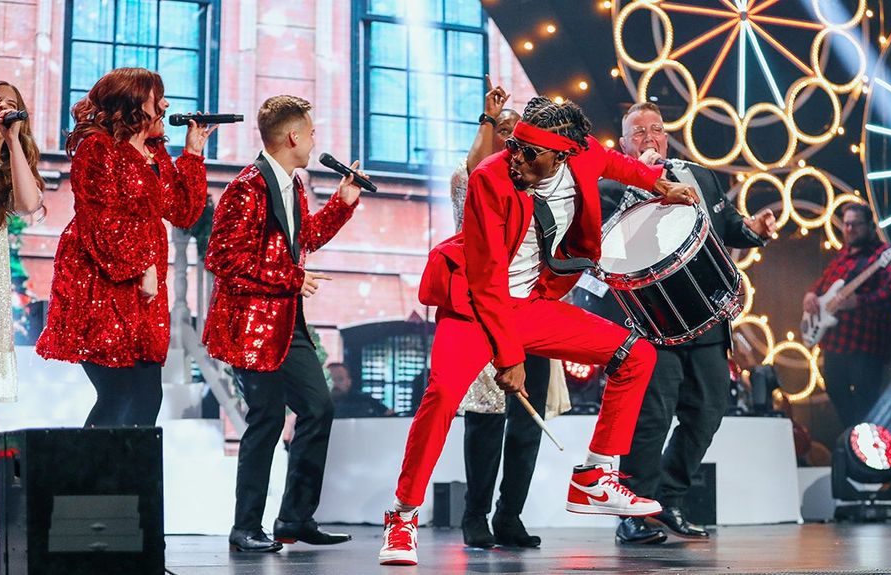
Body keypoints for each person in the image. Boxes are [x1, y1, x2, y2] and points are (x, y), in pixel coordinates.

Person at [378, 96, 698, 566]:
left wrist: (660, 184)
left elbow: (617, 165)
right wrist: (509, 358)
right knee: (443, 393)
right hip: (473, 304)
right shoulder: (491, 176)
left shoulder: (584, 152)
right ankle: (403, 516)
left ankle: (595, 475)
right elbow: (486, 279)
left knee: (638, 355)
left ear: (565, 153)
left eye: (531, 154)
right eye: (517, 147)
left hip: (531, 304)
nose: (518, 159)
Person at [605, 101, 776, 544]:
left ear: (667, 135)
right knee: (652, 418)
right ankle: (634, 511)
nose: (649, 138)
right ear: (623, 144)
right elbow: (604, 241)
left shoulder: (699, 175)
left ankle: (670, 500)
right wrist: (636, 178)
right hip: (652, 323)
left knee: (708, 411)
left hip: (706, 321)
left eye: (655, 130)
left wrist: (754, 228)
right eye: (637, 133)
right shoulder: (609, 185)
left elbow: (728, 225)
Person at [203, 95, 362, 553]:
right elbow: (224, 259)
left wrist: (343, 201)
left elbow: (304, 238)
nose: (314, 141)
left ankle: (295, 518)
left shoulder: (294, 186)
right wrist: (293, 276)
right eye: (311, 133)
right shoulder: (248, 187)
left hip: (286, 321)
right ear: (293, 136)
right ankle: (245, 526)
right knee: (267, 419)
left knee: (318, 408)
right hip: (250, 325)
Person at [36, 68, 215, 427]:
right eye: (157, 97)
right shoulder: (97, 149)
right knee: (118, 393)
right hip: (103, 282)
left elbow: (182, 211)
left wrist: (193, 154)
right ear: (134, 103)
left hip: (144, 290)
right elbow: (99, 220)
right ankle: (90, 480)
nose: (165, 104)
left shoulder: (154, 152)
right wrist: (141, 269)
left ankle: (129, 480)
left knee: (148, 396)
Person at [450, 79, 547, 549]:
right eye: (505, 132)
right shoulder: (472, 181)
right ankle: (475, 515)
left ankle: (511, 515)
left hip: (536, 315)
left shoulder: (540, 187)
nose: (514, 140)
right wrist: (489, 118)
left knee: (528, 422)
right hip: (489, 315)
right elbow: (473, 168)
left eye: (519, 133)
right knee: (487, 417)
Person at [802, 203, 891, 430]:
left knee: (866, 401)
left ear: (869, 226)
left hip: (867, 344)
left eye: (855, 224)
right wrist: (810, 294)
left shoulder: (884, 255)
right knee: (835, 389)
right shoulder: (842, 256)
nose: (849, 229)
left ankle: (861, 443)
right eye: (846, 224)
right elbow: (823, 284)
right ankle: (852, 434)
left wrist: (858, 301)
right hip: (835, 343)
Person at [0, 80, 45, 419]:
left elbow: (28, 203)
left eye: (9, 103)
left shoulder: (11, 168)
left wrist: (12, 139)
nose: (0, 107)